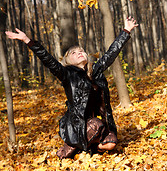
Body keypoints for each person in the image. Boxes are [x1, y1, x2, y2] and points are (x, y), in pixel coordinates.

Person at [5, 16, 138, 159]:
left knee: (111, 143)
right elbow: (47, 59)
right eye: (74, 53)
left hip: (96, 122)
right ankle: (72, 144)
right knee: (97, 125)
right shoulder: (67, 75)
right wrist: (27, 40)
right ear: (68, 61)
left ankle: (87, 147)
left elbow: (111, 53)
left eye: (81, 51)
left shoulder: (96, 71)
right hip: (77, 126)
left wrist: (126, 31)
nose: (79, 53)